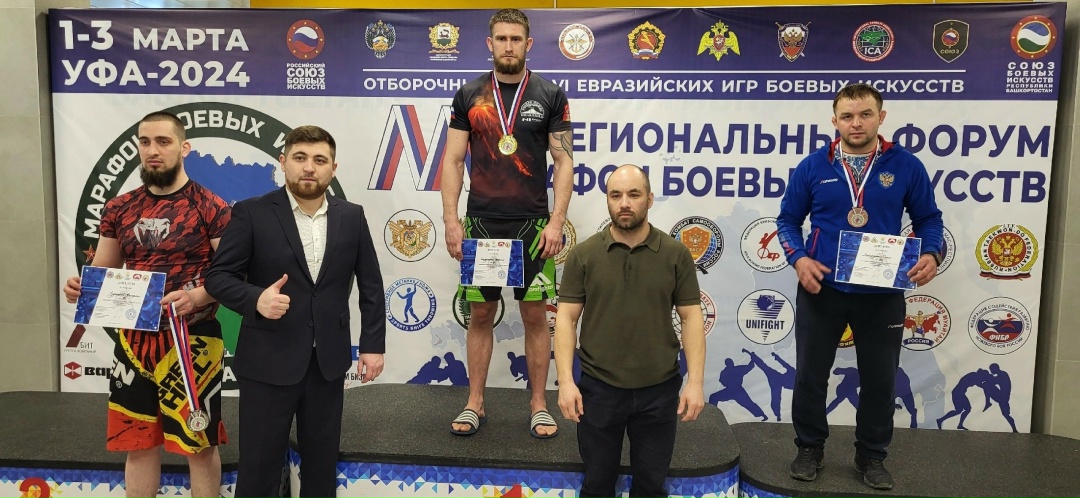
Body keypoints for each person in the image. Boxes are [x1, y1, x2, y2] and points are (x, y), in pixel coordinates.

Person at [776, 83, 944, 491]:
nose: (856, 123)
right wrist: (799, 259)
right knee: (811, 376)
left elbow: (929, 219)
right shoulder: (812, 166)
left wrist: (932, 253)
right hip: (823, 288)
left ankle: (871, 455)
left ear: (880, 117)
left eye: (865, 114)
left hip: (881, 292)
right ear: (834, 121)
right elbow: (787, 221)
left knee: (880, 379)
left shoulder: (906, 166)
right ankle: (809, 447)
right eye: (847, 116)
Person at [204, 125, 386, 498]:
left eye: (319, 160)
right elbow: (217, 278)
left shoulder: (352, 216)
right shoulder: (252, 212)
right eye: (300, 158)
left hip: (327, 365)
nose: (309, 168)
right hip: (266, 363)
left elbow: (371, 284)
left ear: (333, 168)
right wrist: (256, 298)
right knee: (258, 471)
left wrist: (372, 345)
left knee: (320, 470)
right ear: (283, 162)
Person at [62, 111, 230, 498]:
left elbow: (231, 276)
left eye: (163, 141)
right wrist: (82, 288)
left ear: (184, 148)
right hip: (133, 341)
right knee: (136, 442)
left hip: (193, 340)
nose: (152, 150)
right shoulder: (119, 207)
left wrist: (197, 297)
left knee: (199, 445)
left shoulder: (212, 207)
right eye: (145, 142)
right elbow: (104, 271)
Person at [440, 7, 574, 438]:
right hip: (482, 225)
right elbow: (453, 161)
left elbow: (564, 162)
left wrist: (556, 222)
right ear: (490, 43)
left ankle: (538, 405)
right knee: (480, 313)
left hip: (532, 226)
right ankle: (474, 403)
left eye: (516, 39)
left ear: (528, 44)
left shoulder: (550, 94)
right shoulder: (469, 94)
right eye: (502, 38)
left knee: (535, 315)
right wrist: (451, 220)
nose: (509, 46)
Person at [555, 165, 705, 498]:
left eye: (634, 194)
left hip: (659, 391)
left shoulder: (676, 254)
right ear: (607, 200)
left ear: (649, 199)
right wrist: (565, 382)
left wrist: (695, 382)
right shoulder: (583, 255)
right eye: (616, 195)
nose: (624, 203)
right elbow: (565, 319)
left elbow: (691, 318)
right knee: (597, 485)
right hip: (599, 390)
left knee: (651, 486)